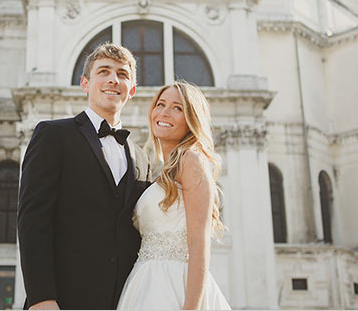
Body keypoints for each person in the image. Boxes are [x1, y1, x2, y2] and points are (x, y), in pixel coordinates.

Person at [18, 43, 154, 310]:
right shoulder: (53, 135)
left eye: (122, 74)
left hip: (125, 300)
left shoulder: (142, 158)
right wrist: (41, 298)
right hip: (62, 299)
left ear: (132, 91)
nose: (113, 80)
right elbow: (32, 220)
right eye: (104, 71)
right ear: (85, 83)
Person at [117, 81, 230, 310]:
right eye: (160, 104)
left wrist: (191, 307)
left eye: (177, 108)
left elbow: (199, 243)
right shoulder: (162, 172)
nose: (164, 112)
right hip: (143, 283)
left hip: (175, 284)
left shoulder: (191, 161)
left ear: (191, 120)